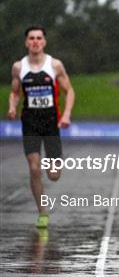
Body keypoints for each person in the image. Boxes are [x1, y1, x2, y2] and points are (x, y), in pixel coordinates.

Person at [7, 25, 75, 228]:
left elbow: (69, 91)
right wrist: (12, 106)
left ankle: (52, 163)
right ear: (26, 42)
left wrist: (67, 115)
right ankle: (42, 212)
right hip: (30, 122)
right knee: (34, 168)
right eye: (31, 38)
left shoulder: (55, 65)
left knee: (53, 175)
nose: (35, 41)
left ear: (44, 42)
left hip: (51, 122)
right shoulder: (19, 67)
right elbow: (15, 92)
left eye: (39, 38)